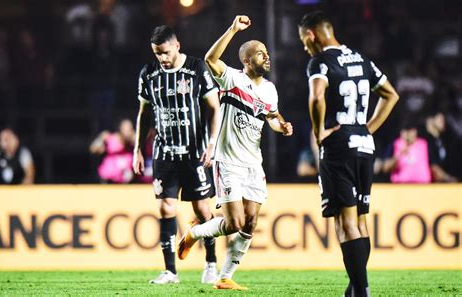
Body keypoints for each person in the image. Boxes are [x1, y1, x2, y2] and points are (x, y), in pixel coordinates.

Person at [178, 15, 293, 290]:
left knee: (250, 222)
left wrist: (283, 127)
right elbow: (210, 58)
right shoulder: (232, 79)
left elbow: (272, 118)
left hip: (254, 163)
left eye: (267, 53)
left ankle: (225, 277)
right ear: (246, 60)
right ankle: (195, 232)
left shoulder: (270, 90)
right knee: (233, 223)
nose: (266, 57)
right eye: (260, 54)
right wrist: (232, 29)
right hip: (228, 161)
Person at [298, 11, 399, 296]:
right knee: (361, 221)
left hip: (339, 146)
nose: (305, 48)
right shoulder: (362, 59)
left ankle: (361, 290)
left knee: (345, 224)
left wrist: (318, 133)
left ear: (311, 35)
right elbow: (391, 94)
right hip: (365, 147)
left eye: (303, 41)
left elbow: (317, 96)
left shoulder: (319, 61)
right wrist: (367, 128)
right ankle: (355, 288)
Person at [132, 25, 221, 285]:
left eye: (166, 52)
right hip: (164, 153)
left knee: (203, 210)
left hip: (195, 152)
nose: (162, 58)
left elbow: (214, 108)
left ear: (177, 46)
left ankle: (211, 263)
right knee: (165, 207)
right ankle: (170, 271)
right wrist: (138, 148)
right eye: (157, 53)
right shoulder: (148, 74)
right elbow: (144, 114)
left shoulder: (196, 69)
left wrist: (212, 142)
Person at [90, 118, 136, 183]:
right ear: (120, 129)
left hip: (125, 180)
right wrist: (100, 140)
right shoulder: (110, 139)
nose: (127, 131)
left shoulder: (133, 142)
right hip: (108, 179)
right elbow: (94, 149)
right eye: (125, 129)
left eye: (130, 129)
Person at [421, 111, 457, 182]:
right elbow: (432, 165)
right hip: (430, 184)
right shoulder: (424, 141)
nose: (444, 122)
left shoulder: (442, 140)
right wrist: (450, 179)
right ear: (430, 120)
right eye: (441, 120)